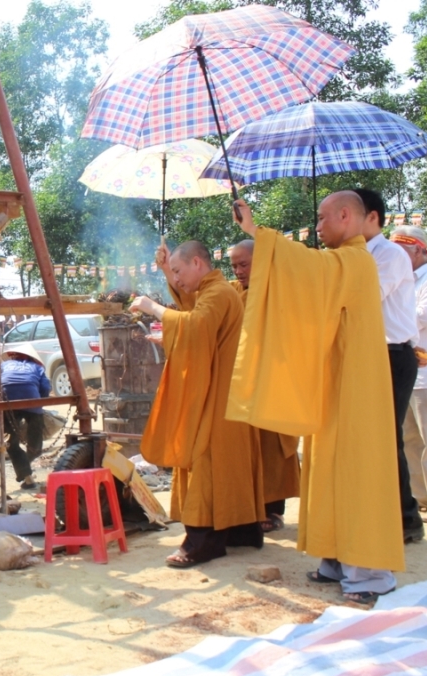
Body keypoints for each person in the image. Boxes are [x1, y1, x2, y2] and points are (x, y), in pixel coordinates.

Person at [229, 193, 404, 606]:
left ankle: (371, 575)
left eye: (323, 218)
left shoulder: (357, 260)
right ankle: (338, 560)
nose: (318, 226)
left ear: (347, 216)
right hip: (338, 383)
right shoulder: (345, 260)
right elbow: (308, 282)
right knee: (327, 467)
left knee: (357, 474)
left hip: (358, 389)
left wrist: (257, 231)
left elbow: (307, 269)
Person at [132, 240, 263, 568]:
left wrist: (152, 307)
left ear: (197, 263)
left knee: (205, 458)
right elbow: (192, 305)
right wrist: (165, 268)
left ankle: (203, 541)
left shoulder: (219, 292)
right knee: (228, 462)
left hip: (221, 392)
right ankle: (240, 530)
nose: (177, 280)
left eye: (179, 271)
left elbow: (195, 324)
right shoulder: (213, 290)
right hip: (226, 390)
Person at [353, 188, 425, 544]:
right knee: (370, 438)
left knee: (387, 437)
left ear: (372, 217)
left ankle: (406, 517)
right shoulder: (355, 254)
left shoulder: (390, 254)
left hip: (391, 354)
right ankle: (384, 512)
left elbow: (363, 297)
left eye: (345, 214)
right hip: (365, 354)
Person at [229, 239, 300, 533]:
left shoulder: (279, 287)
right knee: (247, 447)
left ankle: (273, 509)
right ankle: (249, 507)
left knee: (273, 446)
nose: (239, 271)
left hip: (275, 377)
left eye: (243, 264)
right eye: (233, 266)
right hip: (243, 380)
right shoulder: (233, 291)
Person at [391, 226, 427, 524]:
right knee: (408, 438)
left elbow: (425, 316)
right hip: (408, 372)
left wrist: (396, 315)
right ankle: (419, 497)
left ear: (419, 250)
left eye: (403, 250)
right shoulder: (400, 282)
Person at [0, 344, 50, 490]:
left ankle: (25, 473)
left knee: (11, 443)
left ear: (12, 355)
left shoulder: (5, 365)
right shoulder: (37, 367)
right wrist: (39, 402)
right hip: (32, 401)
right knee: (35, 444)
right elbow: (45, 388)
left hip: (7, 402)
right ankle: (26, 474)